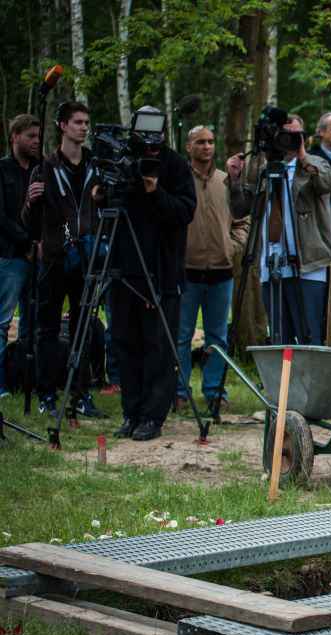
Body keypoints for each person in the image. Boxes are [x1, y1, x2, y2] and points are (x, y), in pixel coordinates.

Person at [97, 106, 197, 441]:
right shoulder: (124, 161)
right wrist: (101, 196)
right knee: (124, 342)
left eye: (155, 134)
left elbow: (185, 211)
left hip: (162, 272)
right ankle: (132, 412)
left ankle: (153, 416)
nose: (150, 141)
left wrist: (155, 192)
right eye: (143, 134)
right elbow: (109, 207)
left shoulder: (175, 166)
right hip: (124, 269)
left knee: (158, 346)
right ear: (133, 132)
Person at [22, 101, 104, 419]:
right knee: (47, 329)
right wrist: (30, 204)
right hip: (55, 259)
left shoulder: (96, 166)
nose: (84, 127)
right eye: (78, 122)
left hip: (86, 257)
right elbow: (29, 224)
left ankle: (82, 393)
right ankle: (46, 394)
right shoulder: (44, 167)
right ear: (63, 126)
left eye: (87, 122)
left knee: (83, 327)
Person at [228, 112, 331, 346]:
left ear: (303, 138)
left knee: (309, 337)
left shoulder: (312, 164)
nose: (288, 140)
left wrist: (303, 157)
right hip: (271, 264)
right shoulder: (264, 170)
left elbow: (330, 183)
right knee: (279, 339)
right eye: (284, 135)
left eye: (294, 135)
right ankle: (282, 382)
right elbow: (240, 210)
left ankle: (311, 383)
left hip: (307, 265)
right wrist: (235, 180)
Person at [176, 126, 249, 411]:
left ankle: (215, 391)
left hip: (221, 272)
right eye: (200, 142)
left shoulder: (224, 180)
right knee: (182, 335)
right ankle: (181, 392)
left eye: (210, 141)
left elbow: (243, 218)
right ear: (188, 147)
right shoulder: (180, 180)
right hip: (187, 271)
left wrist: (231, 247)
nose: (206, 146)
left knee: (217, 337)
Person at [0, 113, 40, 397]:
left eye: (38, 136)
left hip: (39, 256)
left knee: (34, 321)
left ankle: (27, 378)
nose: (36, 141)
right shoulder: (2, 170)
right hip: (10, 257)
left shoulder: (42, 169)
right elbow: (1, 217)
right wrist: (27, 243)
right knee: (3, 322)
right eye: (30, 136)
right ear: (15, 136)